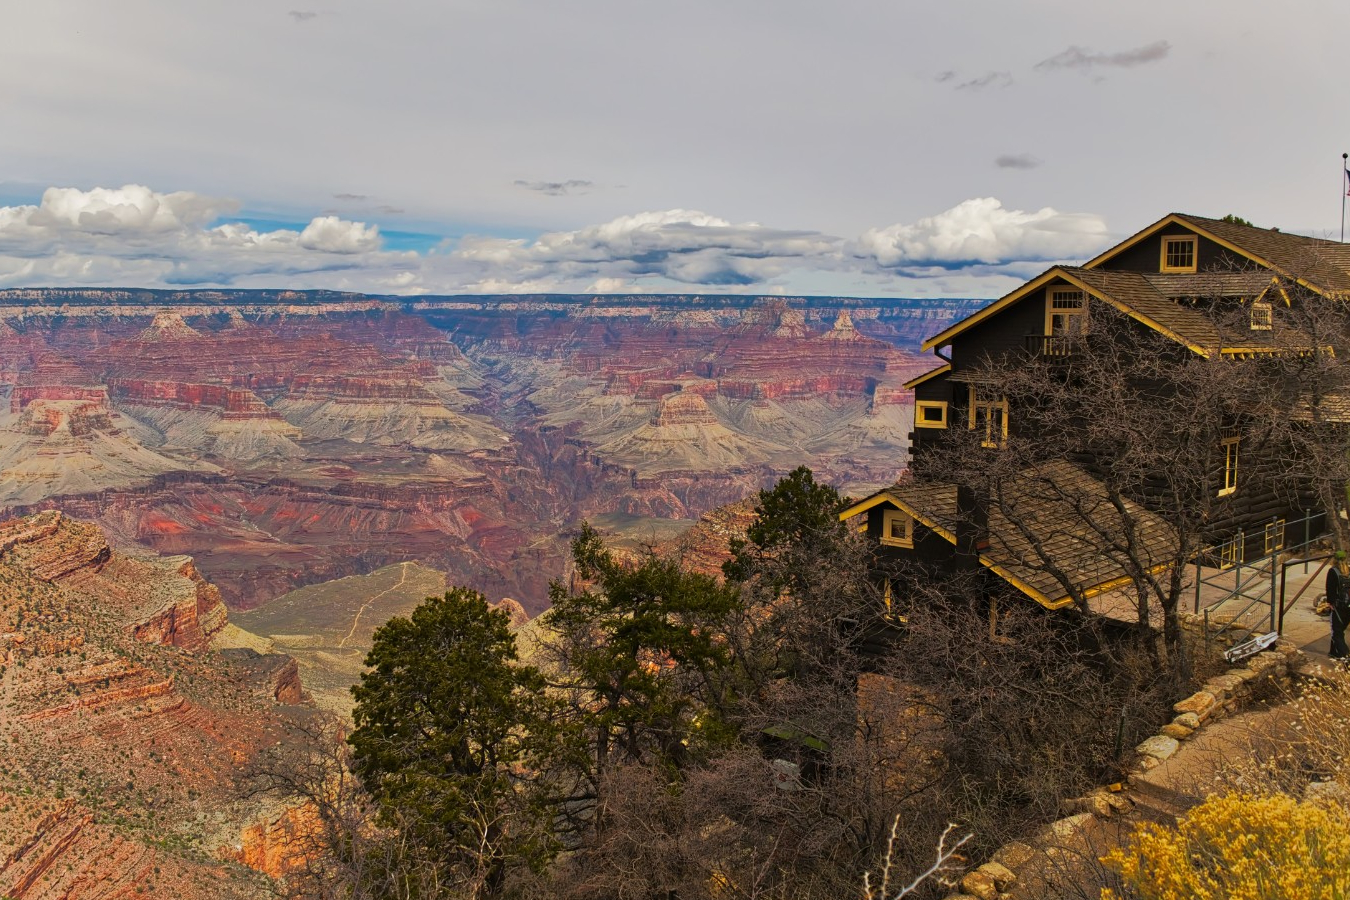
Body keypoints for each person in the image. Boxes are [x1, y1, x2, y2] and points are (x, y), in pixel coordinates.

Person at [1327, 553, 1349, 659]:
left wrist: (1331, 603)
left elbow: (1330, 589)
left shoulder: (1333, 571)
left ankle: (1346, 657)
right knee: (1340, 629)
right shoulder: (1348, 570)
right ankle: (1333, 652)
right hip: (1348, 607)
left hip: (1339, 607)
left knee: (1336, 632)